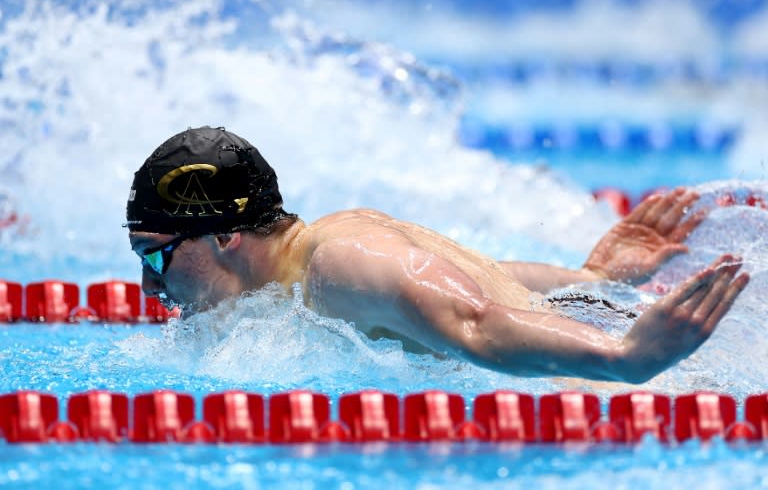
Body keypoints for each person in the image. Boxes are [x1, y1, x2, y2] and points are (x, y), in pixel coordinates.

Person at [126, 126, 750, 383]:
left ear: (224, 236)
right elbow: (486, 278)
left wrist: (625, 358)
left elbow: (475, 319)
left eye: (155, 258)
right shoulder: (330, 246)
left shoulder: (339, 266)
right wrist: (590, 278)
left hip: (636, 392)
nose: (150, 288)